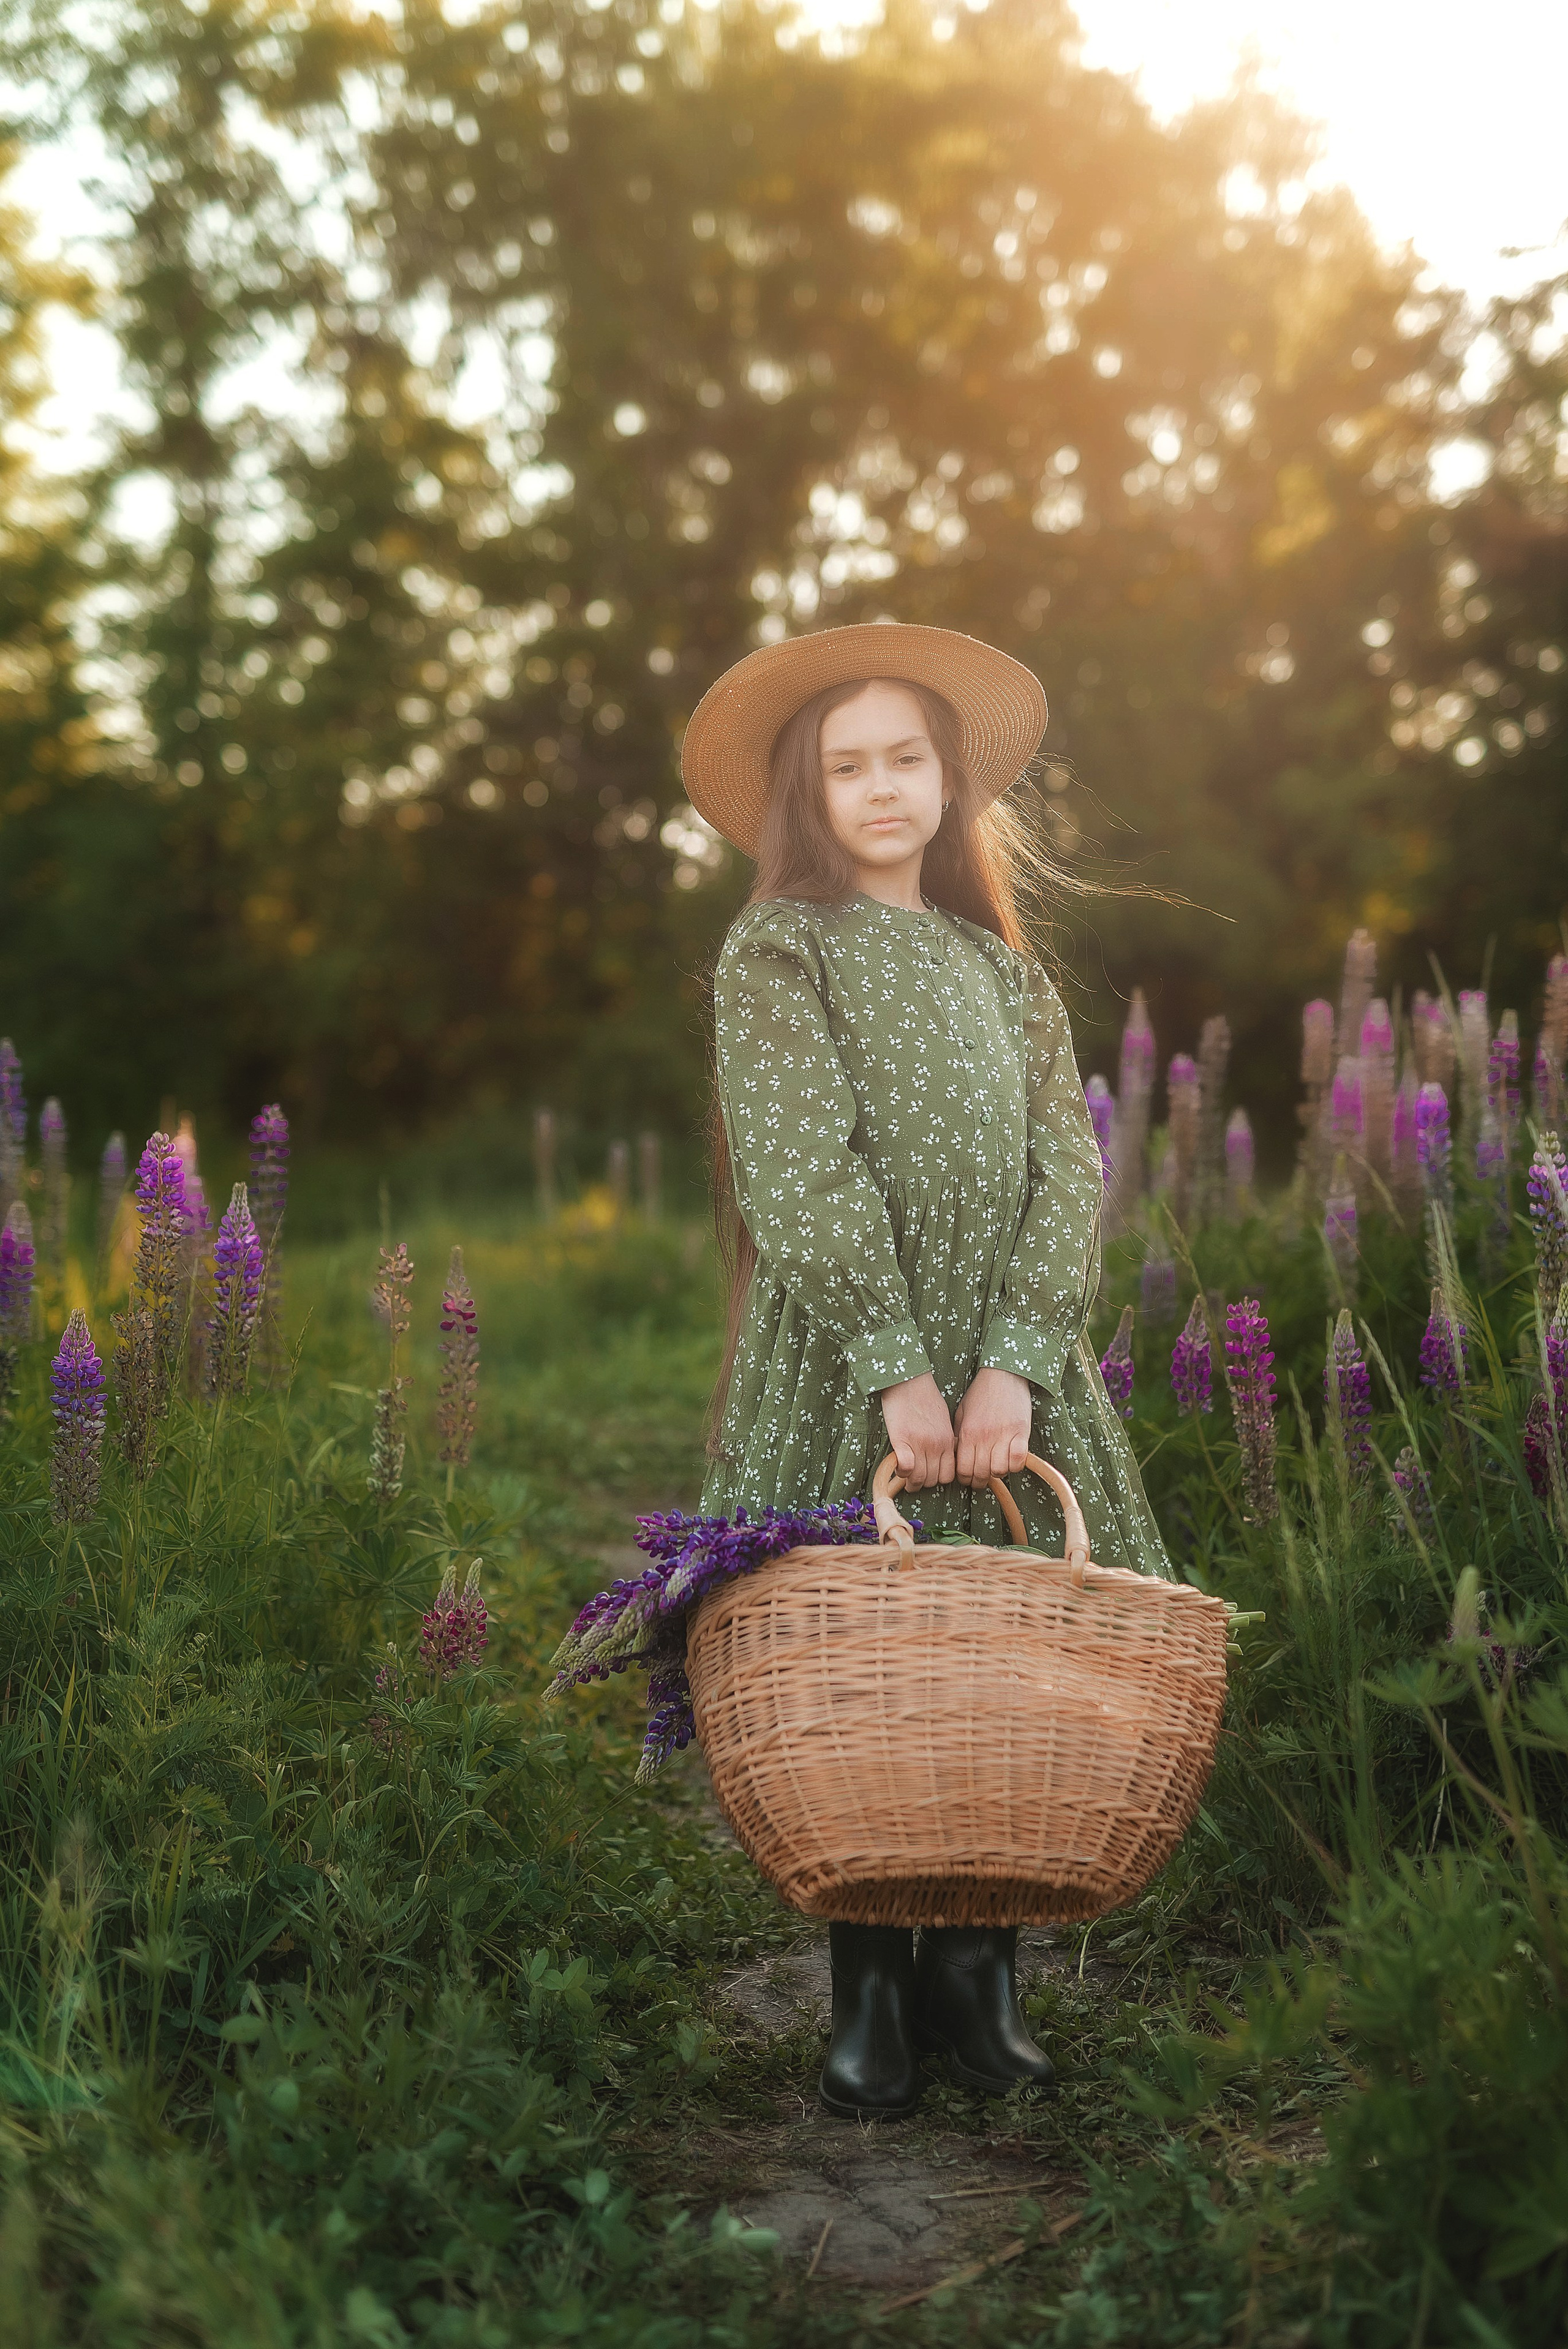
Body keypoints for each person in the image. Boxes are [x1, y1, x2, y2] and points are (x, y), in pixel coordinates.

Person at [680, 622, 1172, 2121]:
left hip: (1005, 1361)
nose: (880, 788)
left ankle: (981, 1966)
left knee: (1004, 1646)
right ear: (804, 794)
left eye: (905, 760)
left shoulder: (1000, 971)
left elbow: (1060, 1168)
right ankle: (869, 1978)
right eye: (847, 765)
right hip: (851, 1355)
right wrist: (896, 1364)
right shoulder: (781, 947)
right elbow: (799, 1167)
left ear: (949, 785)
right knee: (860, 1659)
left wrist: (1016, 1359)